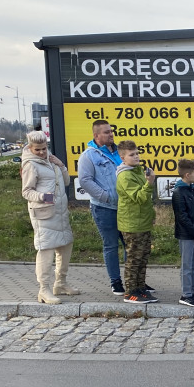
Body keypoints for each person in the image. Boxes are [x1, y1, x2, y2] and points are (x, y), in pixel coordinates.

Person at [20, 130, 77, 305]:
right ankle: (43, 289)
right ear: (30, 148)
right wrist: (43, 196)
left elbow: (66, 182)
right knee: (46, 250)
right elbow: (26, 192)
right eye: (37, 150)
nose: (42, 152)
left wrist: (61, 166)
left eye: (44, 148)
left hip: (60, 212)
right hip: (44, 214)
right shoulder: (30, 164)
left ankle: (60, 283)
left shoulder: (51, 161)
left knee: (66, 246)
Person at [77, 120, 124, 295]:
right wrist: (106, 196)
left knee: (131, 245)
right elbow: (85, 180)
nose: (110, 134)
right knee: (111, 245)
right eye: (106, 132)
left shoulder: (120, 151)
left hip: (125, 208)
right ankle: (116, 281)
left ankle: (135, 279)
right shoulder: (88, 156)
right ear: (96, 136)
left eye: (111, 131)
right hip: (104, 208)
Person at [115, 140, 157, 304]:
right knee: (134, 258)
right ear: (122, 158)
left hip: (142, 221)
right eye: (131, 155)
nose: (136, 156)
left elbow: (146, 201)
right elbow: (139, 197)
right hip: (132, 224)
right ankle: (130, 292)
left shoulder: (138, 171)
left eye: (137, 153)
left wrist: (151, 214)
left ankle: (140, 288)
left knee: (143, 256)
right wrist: (150, 183)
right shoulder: (125, 175)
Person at [172, 158, 194, 308]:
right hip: (187, 235)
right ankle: (186, 294)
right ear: (187, 175)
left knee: (193, 265)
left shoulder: (193, 190)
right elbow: (182, 218)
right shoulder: (179, 192)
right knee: (186, 266)